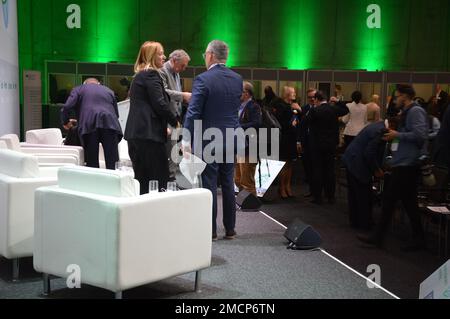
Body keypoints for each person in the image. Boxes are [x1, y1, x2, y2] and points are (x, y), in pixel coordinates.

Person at [182, 40, 242, 241]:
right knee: (228, 183)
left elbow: (194, 111)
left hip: (210, 139)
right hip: (232, 137)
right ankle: (230, 229)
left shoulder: (203, 79)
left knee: (209, 183)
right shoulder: (237, 79)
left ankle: (211, 231)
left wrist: (186, 138)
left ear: (210, 55)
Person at [358, 84, 428, 251]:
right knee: (409, 204)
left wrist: (397, 135)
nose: (395, 100)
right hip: (404, 163)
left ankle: (378, 237)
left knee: (390, 201)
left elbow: (420, 135)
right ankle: (418, 238)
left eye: (397, 97)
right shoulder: (408, 112)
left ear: (405, 96)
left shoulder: (416, 111)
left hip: (407, 165)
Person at [124, 41, 178, 194]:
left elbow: (148, 106)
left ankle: (142, 216)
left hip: (137, 134)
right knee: (159, 180)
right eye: (160, 54)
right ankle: (156, 216)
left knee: (142, 181)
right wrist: (175, 122)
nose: (164, 56)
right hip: (149, 137)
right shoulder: (151, 74)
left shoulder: (139, 75)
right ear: (151, 57)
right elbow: (159, 104)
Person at [343, 117, 398, 230]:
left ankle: (356, 222)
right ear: (392, 126)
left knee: (355, 194)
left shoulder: (380, 125)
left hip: (352, 158)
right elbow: (369, 153)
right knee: (363, 196)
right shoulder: (381, 130)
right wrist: (376, 170)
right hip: (357, 162)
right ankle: (364, 225)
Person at [61, 77, 122, 169]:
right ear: (98, 84)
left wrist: (65, 122)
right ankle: (114, 180)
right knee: (112, 161)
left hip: (89, 125)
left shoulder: (78, 89)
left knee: (92, 161)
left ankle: (94, 181)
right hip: (110, 124)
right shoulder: (108, 91)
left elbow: (66, 108)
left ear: (84, 83)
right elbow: (116, 114)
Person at [306, 91, 349, 204]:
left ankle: (318, 197)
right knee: (330, 170)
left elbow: (307, 122)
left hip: (317, 144)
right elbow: (346, 109)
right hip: (331, 144)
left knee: (317, 170)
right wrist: (338, 101)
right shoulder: (333, 109)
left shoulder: (314, 110)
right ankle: (330, 196)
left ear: (316, 99)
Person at [159, 49, 192, 181]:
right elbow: (163, 92)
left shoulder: (176, 73)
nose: (184, 68)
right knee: (170, 149)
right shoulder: (161, 71)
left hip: (176, 117)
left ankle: (172, 177)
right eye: (182, 65)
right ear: (173, 60)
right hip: (167, 117)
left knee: (175, 150)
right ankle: (169, 179)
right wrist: (182, 95)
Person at [272, 86, 301, 199]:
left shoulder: (293, 105)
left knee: (290, 164)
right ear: (287, 94)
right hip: (284, 138)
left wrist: (299, 110)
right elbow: (279, 123)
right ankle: (282, 187)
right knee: (284, 164)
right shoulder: (281, 106)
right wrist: (290, 124)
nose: (294, 94)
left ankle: (288, 186)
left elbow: (299, 120)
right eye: (293, 92)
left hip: (292, 138)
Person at [235, 81, 262, 196]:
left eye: (239, 91)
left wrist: (239, 127)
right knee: (238, 179)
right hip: (239, 147)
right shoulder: (239, 106)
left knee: (247, 180)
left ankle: (251, 205)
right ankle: (243, 202)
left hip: (249, 148)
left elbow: (257, 123)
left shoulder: (254, 106)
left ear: (246, 93)